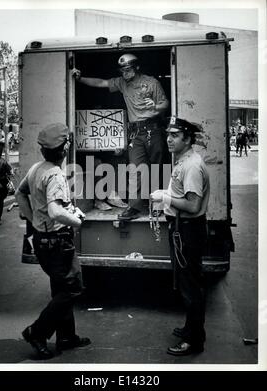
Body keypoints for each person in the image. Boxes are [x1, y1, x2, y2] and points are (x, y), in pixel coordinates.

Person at [15, 123, 91, 359]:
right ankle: (37, 332)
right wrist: (77, 222)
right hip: (57, 241)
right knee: (72, 288)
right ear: (65, 147)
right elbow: (56, 212)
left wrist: (33, 218)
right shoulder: (55, 174)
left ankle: (66, 337)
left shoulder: (37, 168)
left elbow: (20, 193)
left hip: (42, 239)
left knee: (61, 287)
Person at [73, 53, 169, 220]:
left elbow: (165, 104)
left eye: (128, 69)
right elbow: (101, 83)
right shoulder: (122, 83)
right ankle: (135, 207)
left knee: (155, 168)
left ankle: (157, 205)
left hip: (153, 129)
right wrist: (80, 79)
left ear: (137, 67)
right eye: (122, 70)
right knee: (136, 170)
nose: (124, 73)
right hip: (136, 132)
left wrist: (156, 106)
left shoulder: (152, 82)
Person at [150, 117, 210, 356]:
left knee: (190, 287)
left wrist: (165, 199)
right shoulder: (184, 160)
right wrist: (167, 194)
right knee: (189, 282)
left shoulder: (192, 166)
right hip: (181, 228)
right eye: (168, 135)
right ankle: (191, 329)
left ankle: (193, 341)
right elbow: (182, 193)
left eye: (175, 135)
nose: (169, 139)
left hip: (187, 229)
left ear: (187, 138)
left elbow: (193, 205)